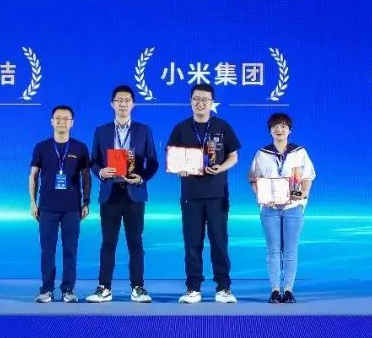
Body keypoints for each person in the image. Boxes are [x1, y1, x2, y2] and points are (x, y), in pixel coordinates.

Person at [167, 84, 241, 303]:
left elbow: (233, 156)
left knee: (219, 242)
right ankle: (193, 288)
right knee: (192, 243)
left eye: (205, 100)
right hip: (191, 195)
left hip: (217, 194)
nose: (200, 103)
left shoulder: (222, 126)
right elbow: (172, 157)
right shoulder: (181, 128)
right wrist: (179, 168)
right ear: (190, 101)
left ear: (212, 102)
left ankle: (223, 288)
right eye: (196, 99)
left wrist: (221, 168)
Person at [86, 85, 159, 303]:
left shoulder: (143, 130)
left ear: (133, 104)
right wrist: (101, 172)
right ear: (112, 104)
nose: (123, 104)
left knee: (135, 243)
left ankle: (138, 288)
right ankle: (104, 288)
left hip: (134, 193)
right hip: (110, 193)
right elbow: (93, 161)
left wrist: (141, 178)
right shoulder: (101, 131)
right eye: (119, 100)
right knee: (108, 243)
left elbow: (153, 162)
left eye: (127, 100)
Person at [248, 112, 316, 304]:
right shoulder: (262, 154)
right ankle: (275, 290)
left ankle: (288, 290)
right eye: (275, 126)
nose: (279, 130)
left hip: (293, 207)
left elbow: (308, 176)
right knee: (273, 249)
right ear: (270, 130)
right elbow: (253, 178)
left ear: (290, 130)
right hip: (269, 209)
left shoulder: (299, 152)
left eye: (283, 126)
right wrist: (262, 196)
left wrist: (303, 193)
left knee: (291, 249)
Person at [28, 105, 91, 303]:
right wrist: (32, 203)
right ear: (51, 121)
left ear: (72, 123)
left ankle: (68, 290)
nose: (61, 122)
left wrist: (86, 202)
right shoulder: (41, 147)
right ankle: (46, 289)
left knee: (70, 250)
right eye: (57, 118)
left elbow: (86, 177)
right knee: (47, 251)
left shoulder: (80, 148)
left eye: (66, 118)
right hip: (47, 208)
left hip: (72, 208)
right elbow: (33, 176)